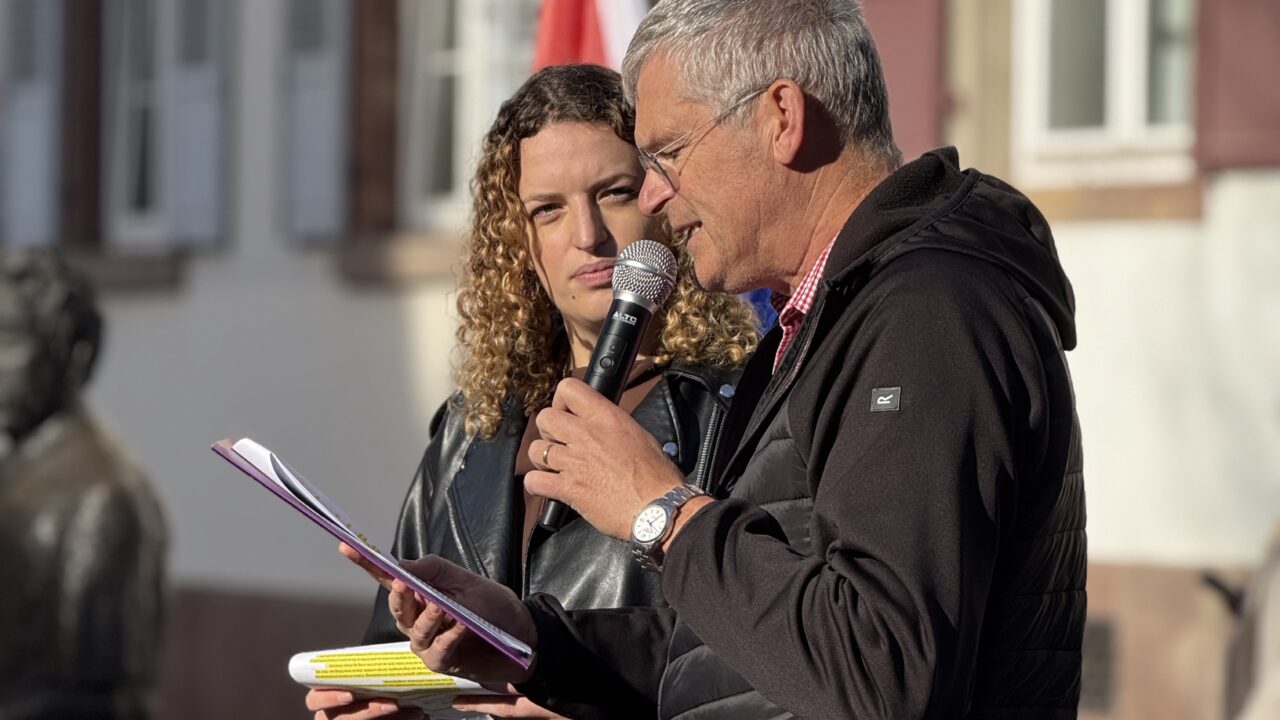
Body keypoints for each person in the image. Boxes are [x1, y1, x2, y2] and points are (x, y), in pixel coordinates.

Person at [368, 0, 1088, 718]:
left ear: (782, 116)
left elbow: (882, 671)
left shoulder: (929, 311)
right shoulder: (829, 322)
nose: (654, 192)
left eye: (669, 153)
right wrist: (535, 644)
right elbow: (740, 660)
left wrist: (661, 513)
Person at [306, 63, 758, 720]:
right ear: (521, 242)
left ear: (663, 197)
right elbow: (397, 648)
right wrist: (387, 707)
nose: (588, 236)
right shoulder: (473, 428)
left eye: (614, 192)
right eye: (549, 209)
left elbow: (758, 674)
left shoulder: (738, 408)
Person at [0, 249, 167, 720]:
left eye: (9, 341)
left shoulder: (101, 499)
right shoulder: (18, 469)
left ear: (71, 352)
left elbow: (102, 700)